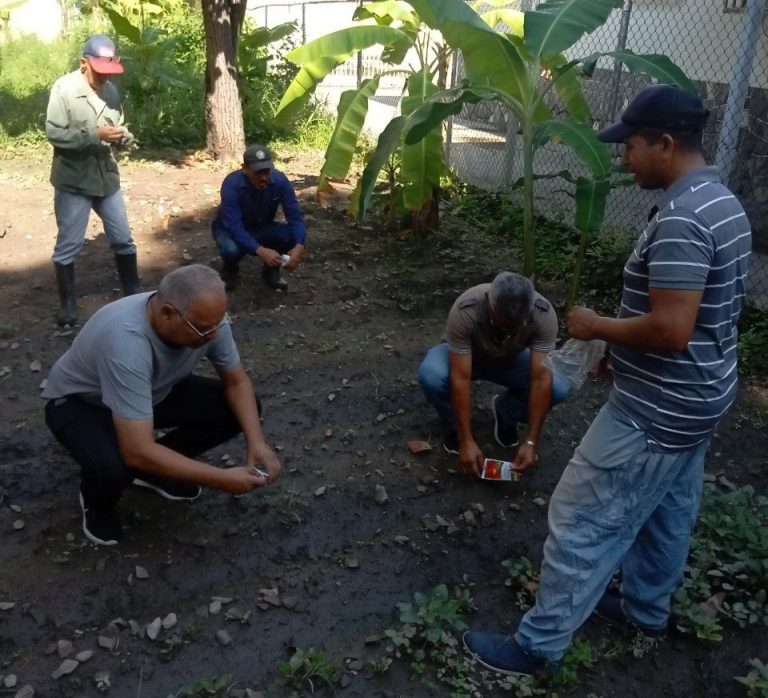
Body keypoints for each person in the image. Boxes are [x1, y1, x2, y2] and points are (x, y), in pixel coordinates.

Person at [462, 84, 752, 676]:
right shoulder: (723, 202)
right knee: (670, 507)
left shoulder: (682, 218)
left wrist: (600, 326)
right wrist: (623, 348)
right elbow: (698, 320)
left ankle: (537, 647)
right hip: (701, 396)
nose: (623, 158)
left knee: (578, 514)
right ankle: (646, 609)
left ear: (665, 144)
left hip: (656, 410)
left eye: (632, 146)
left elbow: (671, 329)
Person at [42, 264, 281, 546]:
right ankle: (97, 503)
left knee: (238, 408)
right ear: (167, 313)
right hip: (82, 404)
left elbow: (237, 383)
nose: (215, 334)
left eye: (220, 322)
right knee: (114, 467)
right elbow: (137, 451)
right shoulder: (126, 342)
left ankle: (154, 472)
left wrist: (256, 442)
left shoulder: (208, 320)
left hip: (153, 391)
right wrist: (219, 478)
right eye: (204, 329)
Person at [418, 272, 571, 476]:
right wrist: (466, 439)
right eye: (500, 324)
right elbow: (460, 378)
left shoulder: (543, 314)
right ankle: (454, 428)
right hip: (465, 358)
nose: (507, 331)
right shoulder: (466, 309)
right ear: (489, 303)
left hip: (511, 360)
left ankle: (507, 412)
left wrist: (531, 441)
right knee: (432, 374)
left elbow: (541, 378)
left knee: (558, 386)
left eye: (515, 327)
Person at [46, 34, 141, 327]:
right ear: (83, 63)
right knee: (68, 244)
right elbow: (55, 134)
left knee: (123, 239)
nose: (103, 78)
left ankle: (133, 294)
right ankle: (68, 306)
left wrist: (124, 138)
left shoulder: (110, 91)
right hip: (74, 179)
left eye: (108, 72)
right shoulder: (63, 89)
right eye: (99, 72)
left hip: (106, 178)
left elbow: (119, 125)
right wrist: (94, 135)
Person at [212, 144, 307, 292]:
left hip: (261, 227)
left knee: (291, 235)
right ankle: (230, 268)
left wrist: (300, 245)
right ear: (245, 168)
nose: (264, 178)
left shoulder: (280, 181)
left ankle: (271, 268)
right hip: (230, 230)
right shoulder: (232, 184)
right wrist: (260, 250)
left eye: (267, 171)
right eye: (258, 173)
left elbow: (295, 214)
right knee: (230, 249)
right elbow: (234, 226)